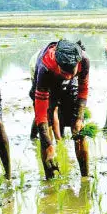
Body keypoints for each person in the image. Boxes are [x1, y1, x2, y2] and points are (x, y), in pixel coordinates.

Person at [30, 40, 90, 179]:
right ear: (58, 64)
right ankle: (50, 179)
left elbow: (83, 90)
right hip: (48, 81)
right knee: (46, 127)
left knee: (79, 130)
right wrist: (48, 143)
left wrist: (79, 118)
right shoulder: (45, 68)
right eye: (64, 72)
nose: (68, 76)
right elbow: (40, 114)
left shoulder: (84, 60)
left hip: (69, 83)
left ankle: (85, 177)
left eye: (71, 72)